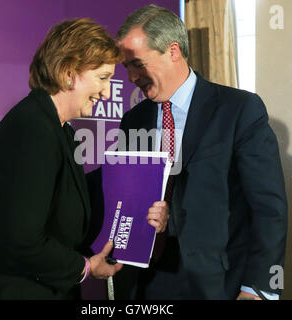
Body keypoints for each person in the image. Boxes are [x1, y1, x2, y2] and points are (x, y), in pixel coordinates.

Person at [114, 5, 288, 300]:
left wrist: (259, 288)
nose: (131, 77)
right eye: (126, 67)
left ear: (172, 51)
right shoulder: (134, 120)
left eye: (138, 64)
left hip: (220, 285)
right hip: (148, 284)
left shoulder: (239, 110)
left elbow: (269, 209)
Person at [0, 18, 128, 300]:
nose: (107, 91)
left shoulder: (58, 129)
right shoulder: (32, 130)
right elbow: (21, 240)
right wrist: (84, 267)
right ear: (68, 72)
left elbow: (64, 214)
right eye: (102, 77)